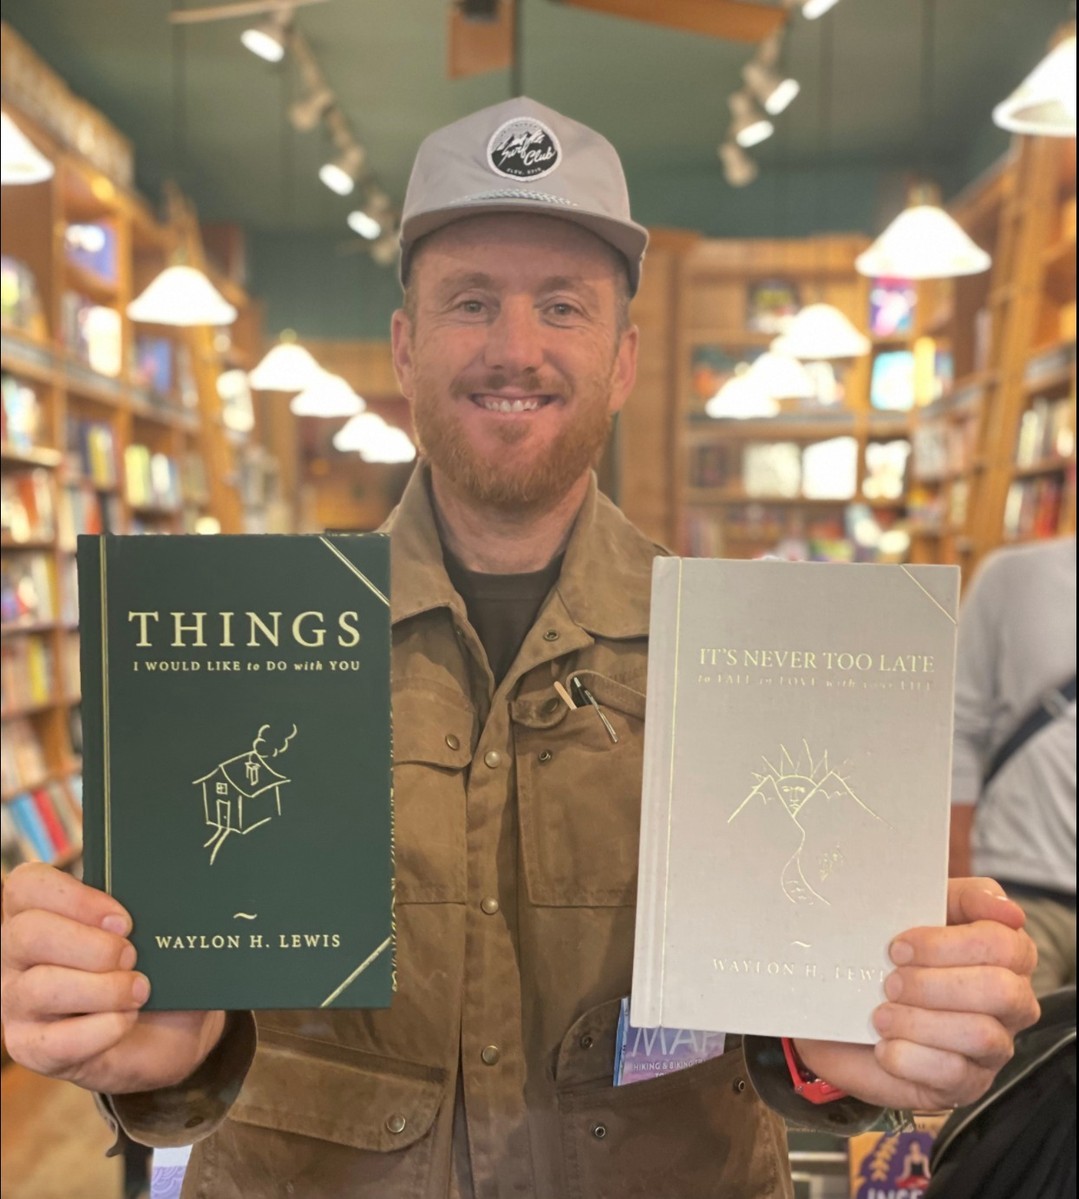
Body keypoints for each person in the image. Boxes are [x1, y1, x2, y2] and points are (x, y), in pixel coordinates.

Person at [1, 97, 1041, 1199]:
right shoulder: (242, 651)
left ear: (624, 358)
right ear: (403, 347)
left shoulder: (752, 663)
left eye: (562, 305)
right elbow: (184, 1022)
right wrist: (140, 1035)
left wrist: (859, 1038)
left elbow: (793, 1036)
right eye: (469, 302)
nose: (515, 347)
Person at [950, 536, 1076, 995]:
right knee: (1015, 1062)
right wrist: (962, 892)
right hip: (1015, 893)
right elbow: (957, 730)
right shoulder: (1012, 576)